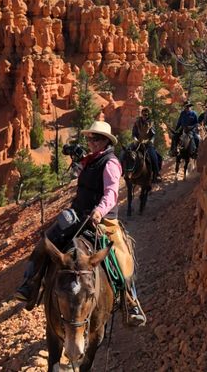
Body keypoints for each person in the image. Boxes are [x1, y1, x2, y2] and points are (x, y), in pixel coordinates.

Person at [15, 120, 146, 326]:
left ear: (105, 141)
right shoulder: (92, 160)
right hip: (78, 215)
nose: (91, 142)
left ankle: (131, 302)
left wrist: (99, 211)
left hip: (102, 219)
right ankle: (29, 286)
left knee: (120, 255)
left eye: (96, 139)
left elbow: (112, 193)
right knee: (46, 243)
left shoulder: (110, 163)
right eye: (90, 138)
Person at [131, 107, 162, 183]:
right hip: (138, 142)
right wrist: (135, 139)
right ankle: (125, 171)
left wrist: (151, 140)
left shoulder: (151, 123)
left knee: (154, 156)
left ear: (148, 115)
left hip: (147, 143)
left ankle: (156, 174)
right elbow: (134, 133)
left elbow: (153, 134)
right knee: (126, 152)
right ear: (141, 114)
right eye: (144, 114)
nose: (145, 116)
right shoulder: (137, 122)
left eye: (146, 114)